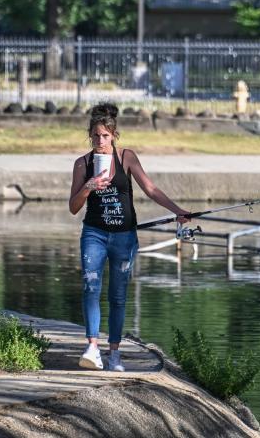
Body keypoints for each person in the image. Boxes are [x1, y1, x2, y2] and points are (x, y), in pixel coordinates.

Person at [69, 103, 189, 371]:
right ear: (90, 136)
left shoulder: (126, 158)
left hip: (124, 237)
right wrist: (88, 187)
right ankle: (92, 347)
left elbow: (151, 189)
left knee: (118, 296)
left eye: (106, 136)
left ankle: (114, 354)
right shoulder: (83, 163)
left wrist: (178, 211)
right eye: (96, 136)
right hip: (94, 234)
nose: (101, 141)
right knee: (90, 285)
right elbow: (73, 207)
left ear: (114, 136)